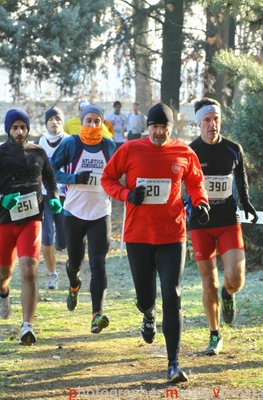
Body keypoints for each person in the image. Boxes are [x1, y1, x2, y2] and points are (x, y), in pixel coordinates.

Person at [101, 103, 209, 383]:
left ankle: (173, 362)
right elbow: (107, 179)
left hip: (173, 236)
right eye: (155, 126)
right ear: (147, 126)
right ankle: (147, 314)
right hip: (138, 236)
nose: (159, 132)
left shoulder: (183, 152)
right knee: (146, 297)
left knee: (172, 296)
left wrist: (200, 202)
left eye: (164, 127)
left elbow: (196, 182)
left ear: (171, 128)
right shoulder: (130, 150)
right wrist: (127, 194)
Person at [188, 97, 258, 356]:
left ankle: (228, 295)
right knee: (208, 282)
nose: (212, 124)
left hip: (228, 220)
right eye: (207, 120)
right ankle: (215, 335)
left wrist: (247, 202)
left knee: (235, 279)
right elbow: (183, 184)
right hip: (201, 222)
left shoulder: (232, 148)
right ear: (199, 123)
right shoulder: (190, 150)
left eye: (216, 119)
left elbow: (240, 177)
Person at [0, 108, 62, 345]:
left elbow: (50, 178)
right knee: (4, 272)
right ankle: (3, 293)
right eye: (15, 127)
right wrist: (1, 198)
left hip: (32, 219)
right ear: (8, 130)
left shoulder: (38, 151)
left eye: (23, 127)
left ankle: (27, 327)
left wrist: (53, 196)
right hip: (4, 220)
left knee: (29, 270)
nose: (20, 131)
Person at [51, 104, 116, 334]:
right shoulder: (71, 144)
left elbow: (118, 174)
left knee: (98, 263)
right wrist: (74, 177)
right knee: (75, 262)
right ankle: (74, 284)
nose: (92, 125)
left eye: (96, 121)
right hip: (74, 213)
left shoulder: (108, 145)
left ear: (101, 123)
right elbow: (51, 169)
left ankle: (96, 314)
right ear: (82, 121)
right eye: (88, 120)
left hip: (100, 213)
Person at [36, 106, 69, 290]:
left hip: (66, 195)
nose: (54, 122)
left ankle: (61, 241)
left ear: (62, 122)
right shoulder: (38, 143)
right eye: (50, 119)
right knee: (46, 236)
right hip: (45, 195)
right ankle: (53, 275)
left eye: (57, 119)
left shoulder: (70, 141)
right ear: (46, 122)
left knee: (63, 242)